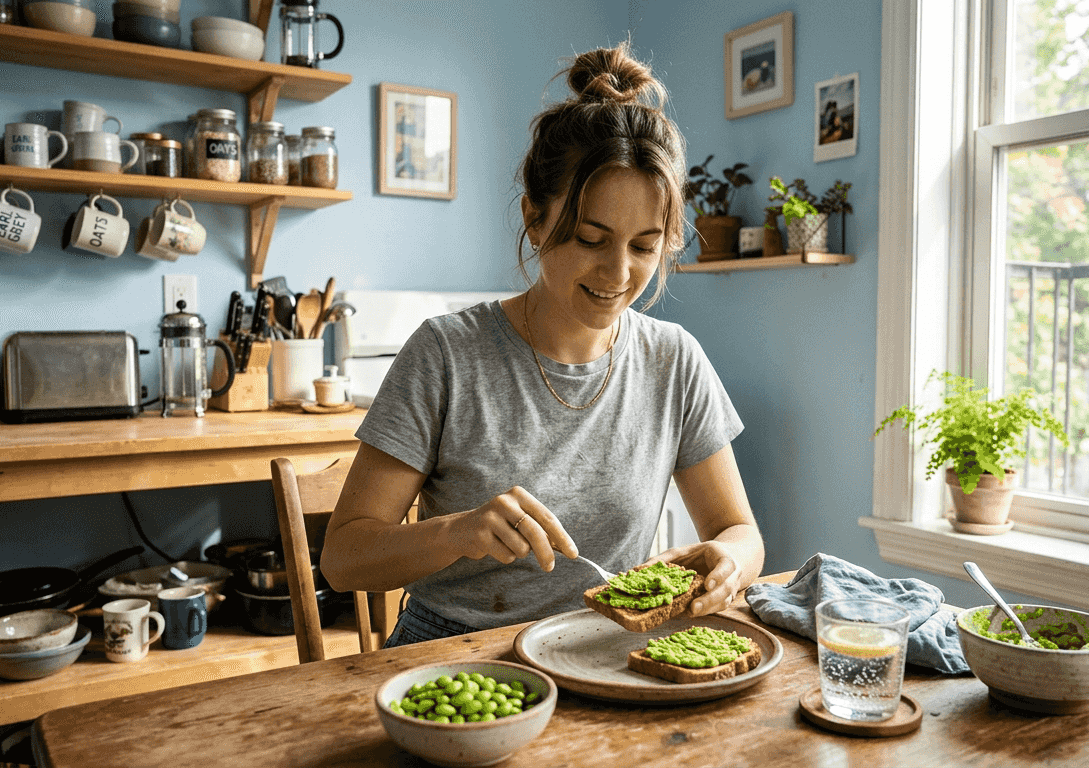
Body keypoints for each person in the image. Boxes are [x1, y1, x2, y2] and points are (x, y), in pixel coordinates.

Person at [320, 41, 765, 647]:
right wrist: (456, 533)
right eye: (589, 237)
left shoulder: (674, 360)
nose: (616, 273)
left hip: (604, 647)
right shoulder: (447, 354)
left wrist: (730, 561)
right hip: (452, 650)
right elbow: (344, 558)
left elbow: (739, 529)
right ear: (534, 218)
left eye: (643, 246)